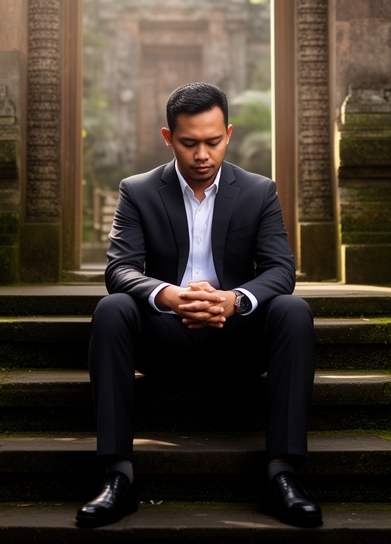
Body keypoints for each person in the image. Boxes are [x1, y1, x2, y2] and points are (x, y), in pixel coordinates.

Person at [76, 83, 321, 529]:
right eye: (189, 143)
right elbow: (121, 269)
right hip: (163, 338)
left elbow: (280, 270)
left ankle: (282, 473)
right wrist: (169, 295)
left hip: (236, 341)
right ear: (169, 138)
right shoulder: (138, 190)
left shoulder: (258, 191)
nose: (203, 155)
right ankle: (118, 475)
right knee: (112, 309)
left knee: (293, 310)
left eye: (213, 141)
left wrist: (233, 301)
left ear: (228, 134)